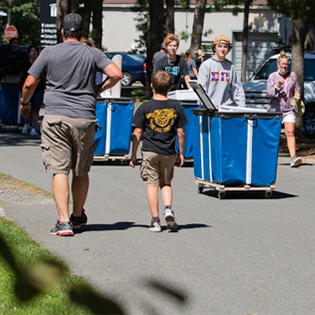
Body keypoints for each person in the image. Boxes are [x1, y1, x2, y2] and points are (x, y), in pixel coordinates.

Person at [20, 13, 123, 236]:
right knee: (81, 169)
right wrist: (98, 89)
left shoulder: (49, 52)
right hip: (84, 117)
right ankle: (77, 216)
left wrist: (24, 103)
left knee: (59, 170)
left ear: (62, 32)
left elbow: (29, 82)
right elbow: (116, 73)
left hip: (56, 116)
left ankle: (63, 221)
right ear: (80, 33)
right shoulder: (92, 53)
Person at [129, 71, 187, 232]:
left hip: (149, 151)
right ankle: (168, 208)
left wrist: (134, 153)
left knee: (152, 185)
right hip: (168, 151)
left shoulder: (145, 107)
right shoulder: (176, 107)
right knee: (166, 183)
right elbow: (181, 132)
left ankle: (155, 221)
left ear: (152, 86)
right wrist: (180, 152)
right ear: (170, 87)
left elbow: (137, 132)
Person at [267, 51, 302, 167]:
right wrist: (277, 85)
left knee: (290, 132)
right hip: (275, 109)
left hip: (289, 108)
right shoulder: (272, 76)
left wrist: (296, 97)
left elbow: (297, 89)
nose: (284, 66)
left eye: (286, 64)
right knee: (273, 134)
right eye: (282, 64)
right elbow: (270, 93)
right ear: (278, 64)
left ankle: (293, 157)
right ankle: (269, 158)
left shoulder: (292, 76)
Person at [197, 35, 245, 107]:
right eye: (219, 46)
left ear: (228, 49)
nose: (222, 49)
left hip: (225, 108)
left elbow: (237, 89)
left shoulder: (230, 67)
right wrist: (210, 106)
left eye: (225, 47)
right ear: (214, 48)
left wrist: (242, 108)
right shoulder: (206, 65)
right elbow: (201, 90)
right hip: (208, 109)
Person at [21, 46, 45, 136]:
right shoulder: (25, 63)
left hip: (38, 89)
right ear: (29, 53)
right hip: (27, 88)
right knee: (27, 107)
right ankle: (26, 124)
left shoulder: (40, 63)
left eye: (35, 51)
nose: (34, 53)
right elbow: (23, 76)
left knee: (36, 109)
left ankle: (33, 127)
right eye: (32, 51)